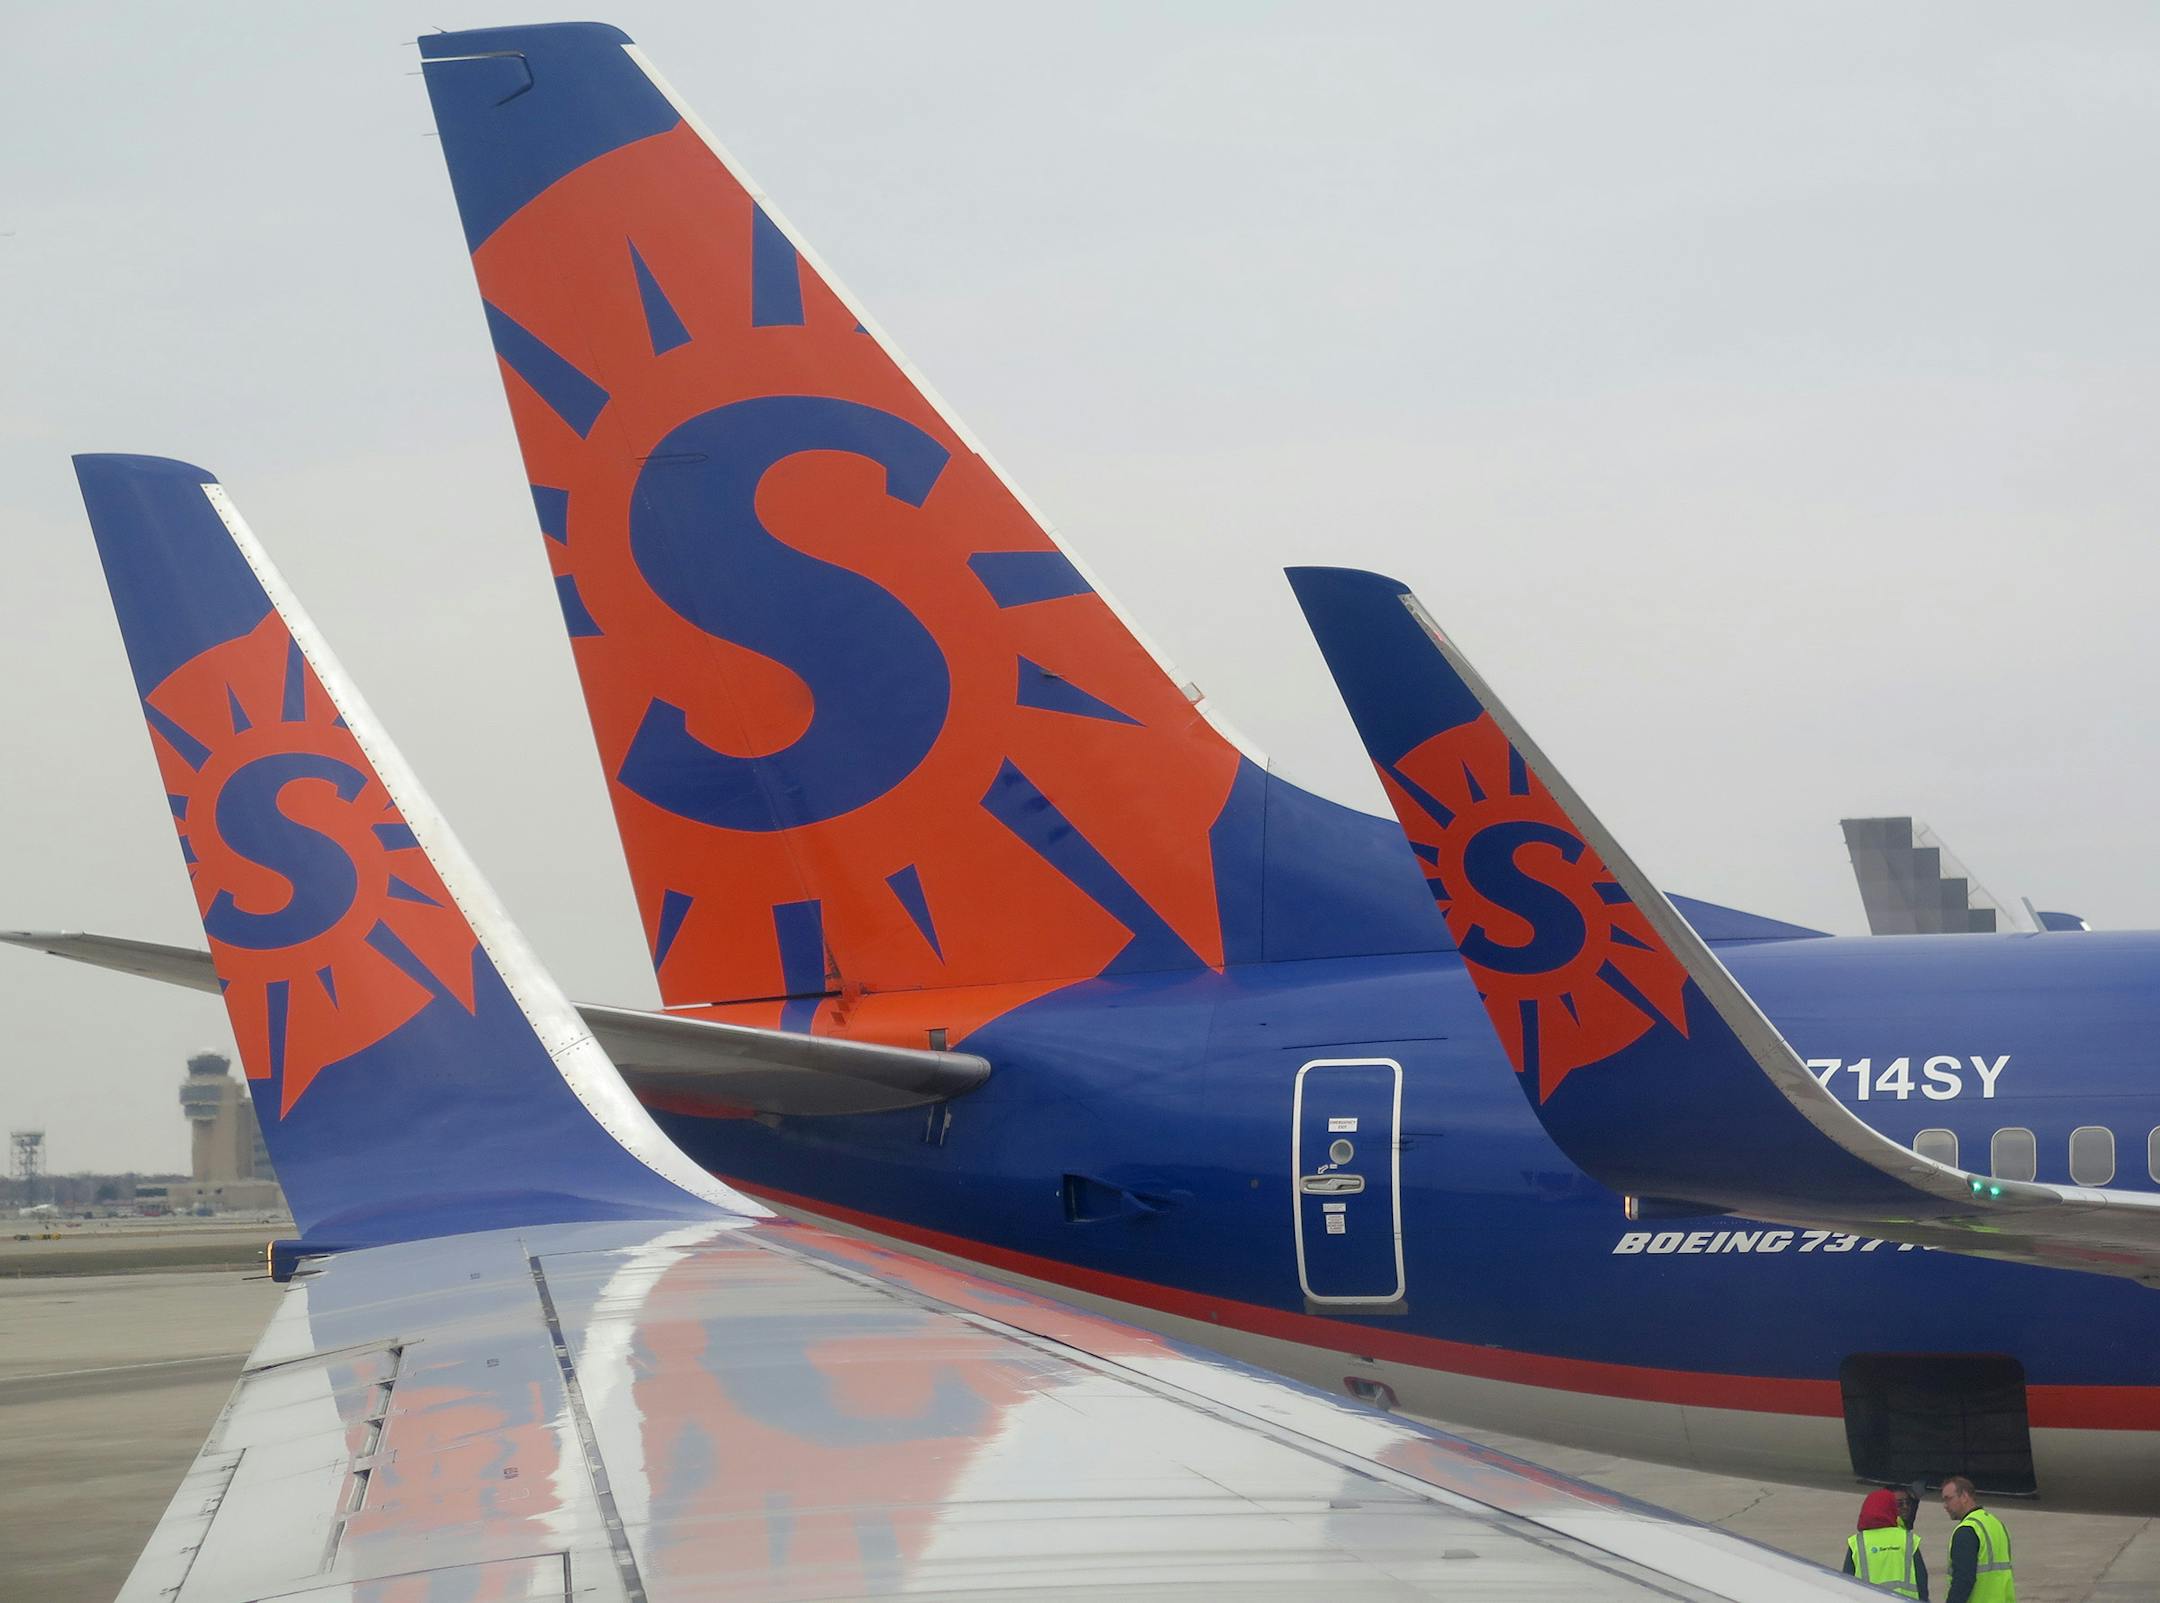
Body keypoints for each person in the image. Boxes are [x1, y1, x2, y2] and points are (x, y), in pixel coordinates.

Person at [1940, 1475, 2014, 1603]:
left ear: (1964, 1496)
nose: (1945, 1506)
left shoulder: (1966, 1530)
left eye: (1948, 1499)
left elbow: (1963, 1580)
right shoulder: (1996, 1524)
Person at [1844, 1486, 1923, 1597]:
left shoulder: (1857, 1543)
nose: (1905, 1507)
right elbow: (1921, 1579)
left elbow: (1845, 1583)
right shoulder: (1908, 1539)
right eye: (1899, 1504)